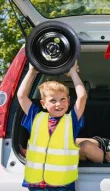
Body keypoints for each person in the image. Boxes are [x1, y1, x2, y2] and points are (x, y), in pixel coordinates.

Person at [17, 61, 87, 191]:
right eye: (53, 100)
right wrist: (32, 71)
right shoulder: (36, 117)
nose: (58, 104)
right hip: (36, 184)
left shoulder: (71, 120)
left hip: (62, 185)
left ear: (68, 101)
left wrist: (73, 73)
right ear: (43, 104)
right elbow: (21, 96)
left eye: (62, 99)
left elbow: (82, 97)